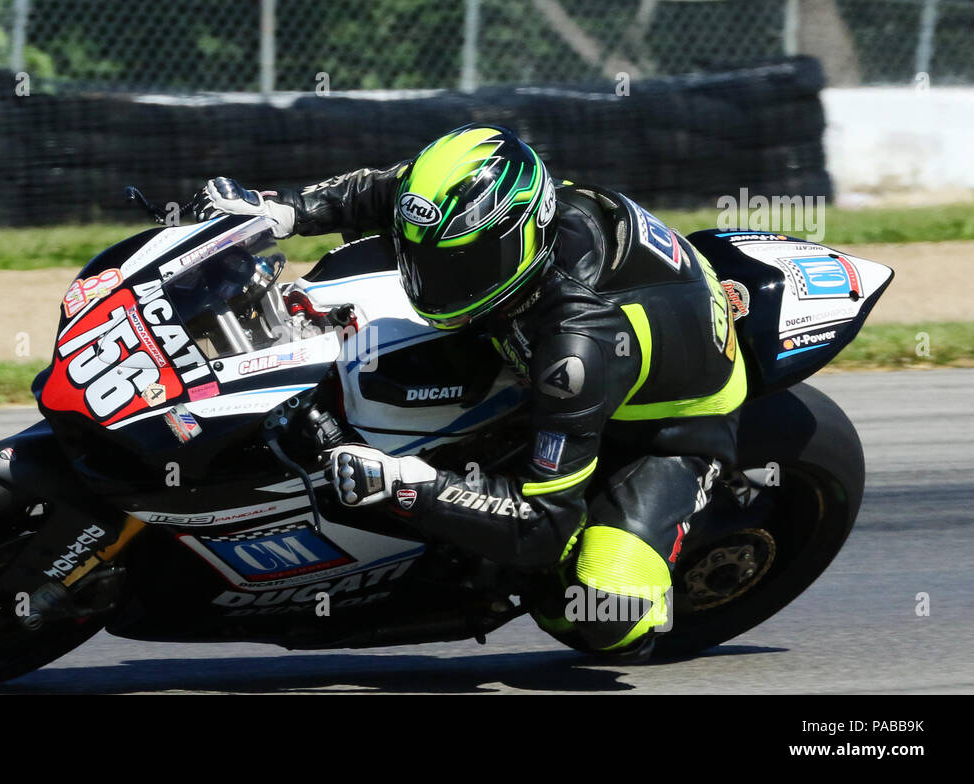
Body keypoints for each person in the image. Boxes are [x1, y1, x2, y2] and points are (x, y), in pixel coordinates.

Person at [193, 123, 744, 657]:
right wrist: (278, 209)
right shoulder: (485, 210)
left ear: (519, 242)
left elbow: (542, 525)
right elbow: (379, 191)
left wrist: (409, 487)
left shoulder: (576, 350)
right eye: (424, 259)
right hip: (554, 329)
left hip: (667, 425)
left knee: (598, 607)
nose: (430, 279)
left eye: (456, 265)